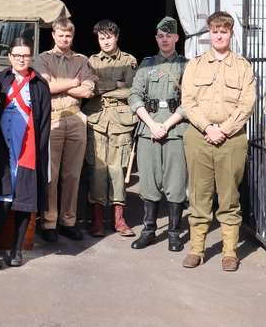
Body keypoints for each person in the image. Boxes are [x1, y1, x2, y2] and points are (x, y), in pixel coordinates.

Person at [180, 11, 256, 271]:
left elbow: (247, 104)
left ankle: (229, 252)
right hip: (199, 137)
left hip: (231, 139)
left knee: (229, 197)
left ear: (231, 34)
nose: (219, 35)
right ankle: (196, 249)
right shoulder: (195, 65)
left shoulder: (243, 67)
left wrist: (223, 129)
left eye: (223, 31)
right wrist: (207, 127)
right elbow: (187, 101)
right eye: (214, 31)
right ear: (209, 34)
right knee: (199, 195)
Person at [0, 38, 51, 268]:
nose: (21, 59)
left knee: (25, 200)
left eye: (25, 55)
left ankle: (16, 250)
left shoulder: (39, 85)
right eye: (17, 55)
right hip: (1, 148)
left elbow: (44, 124)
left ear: (31, 57)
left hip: (27, 148)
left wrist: (39, 153)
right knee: (3, 201)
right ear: (9, 56)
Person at [129, 16, 189, 252]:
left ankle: (174, 233)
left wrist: (168, 124)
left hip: (175, 129)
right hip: (148, 130)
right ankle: (149, 230)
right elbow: (134, 95)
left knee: (175, 183)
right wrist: (152, 123)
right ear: (156, 38)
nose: (164, 40)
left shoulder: (186, 65)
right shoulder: (146, 64)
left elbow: (190, 101)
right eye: (160, 36)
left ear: (176, 38)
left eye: (169, 36)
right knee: (149, 182)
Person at [34, 17, 96, 242]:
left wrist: (65, 86)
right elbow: (46, 87)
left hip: (76, 117)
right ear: (53, 35)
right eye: (61, 35)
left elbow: (88, 91)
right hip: (52, 118)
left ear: (73, 36)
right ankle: (49, 222)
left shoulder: (82, 60)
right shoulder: (42, 59)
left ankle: (68, 221)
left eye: (68, 36)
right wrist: (73, 83)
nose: (64, 39)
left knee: (72, 174)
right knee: (51, 173)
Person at [84, 20, 138, 238]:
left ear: (117, 37)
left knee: (117, 171)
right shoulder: (91, 61)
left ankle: (119, 220)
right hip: (97, 119)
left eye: (109, 37)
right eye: (102, 38)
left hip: (120, 121)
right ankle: (97, 221)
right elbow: (89, 89)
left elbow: (133, 90)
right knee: (97, 170)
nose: (106, 41)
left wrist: (103, 89)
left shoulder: (128, 60)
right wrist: (115, 85)